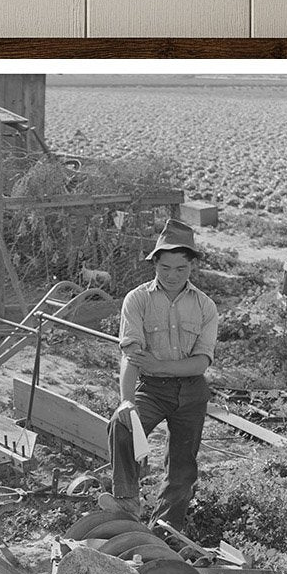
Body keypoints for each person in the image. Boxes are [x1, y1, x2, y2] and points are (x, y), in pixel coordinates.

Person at [100, 218, 218, 531]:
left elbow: (199, 364)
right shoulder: (138, 299)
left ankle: (165, 531)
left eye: (181, 268)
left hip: (191, 392)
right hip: (151, 389)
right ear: (154, 263)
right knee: (122, 425)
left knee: (182, 469)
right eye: (165, 267)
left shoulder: (205, 306)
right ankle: (127, 500)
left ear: (191, 266)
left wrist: (157, 364)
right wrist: (127, 401)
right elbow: (132, 355)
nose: (172, 275)